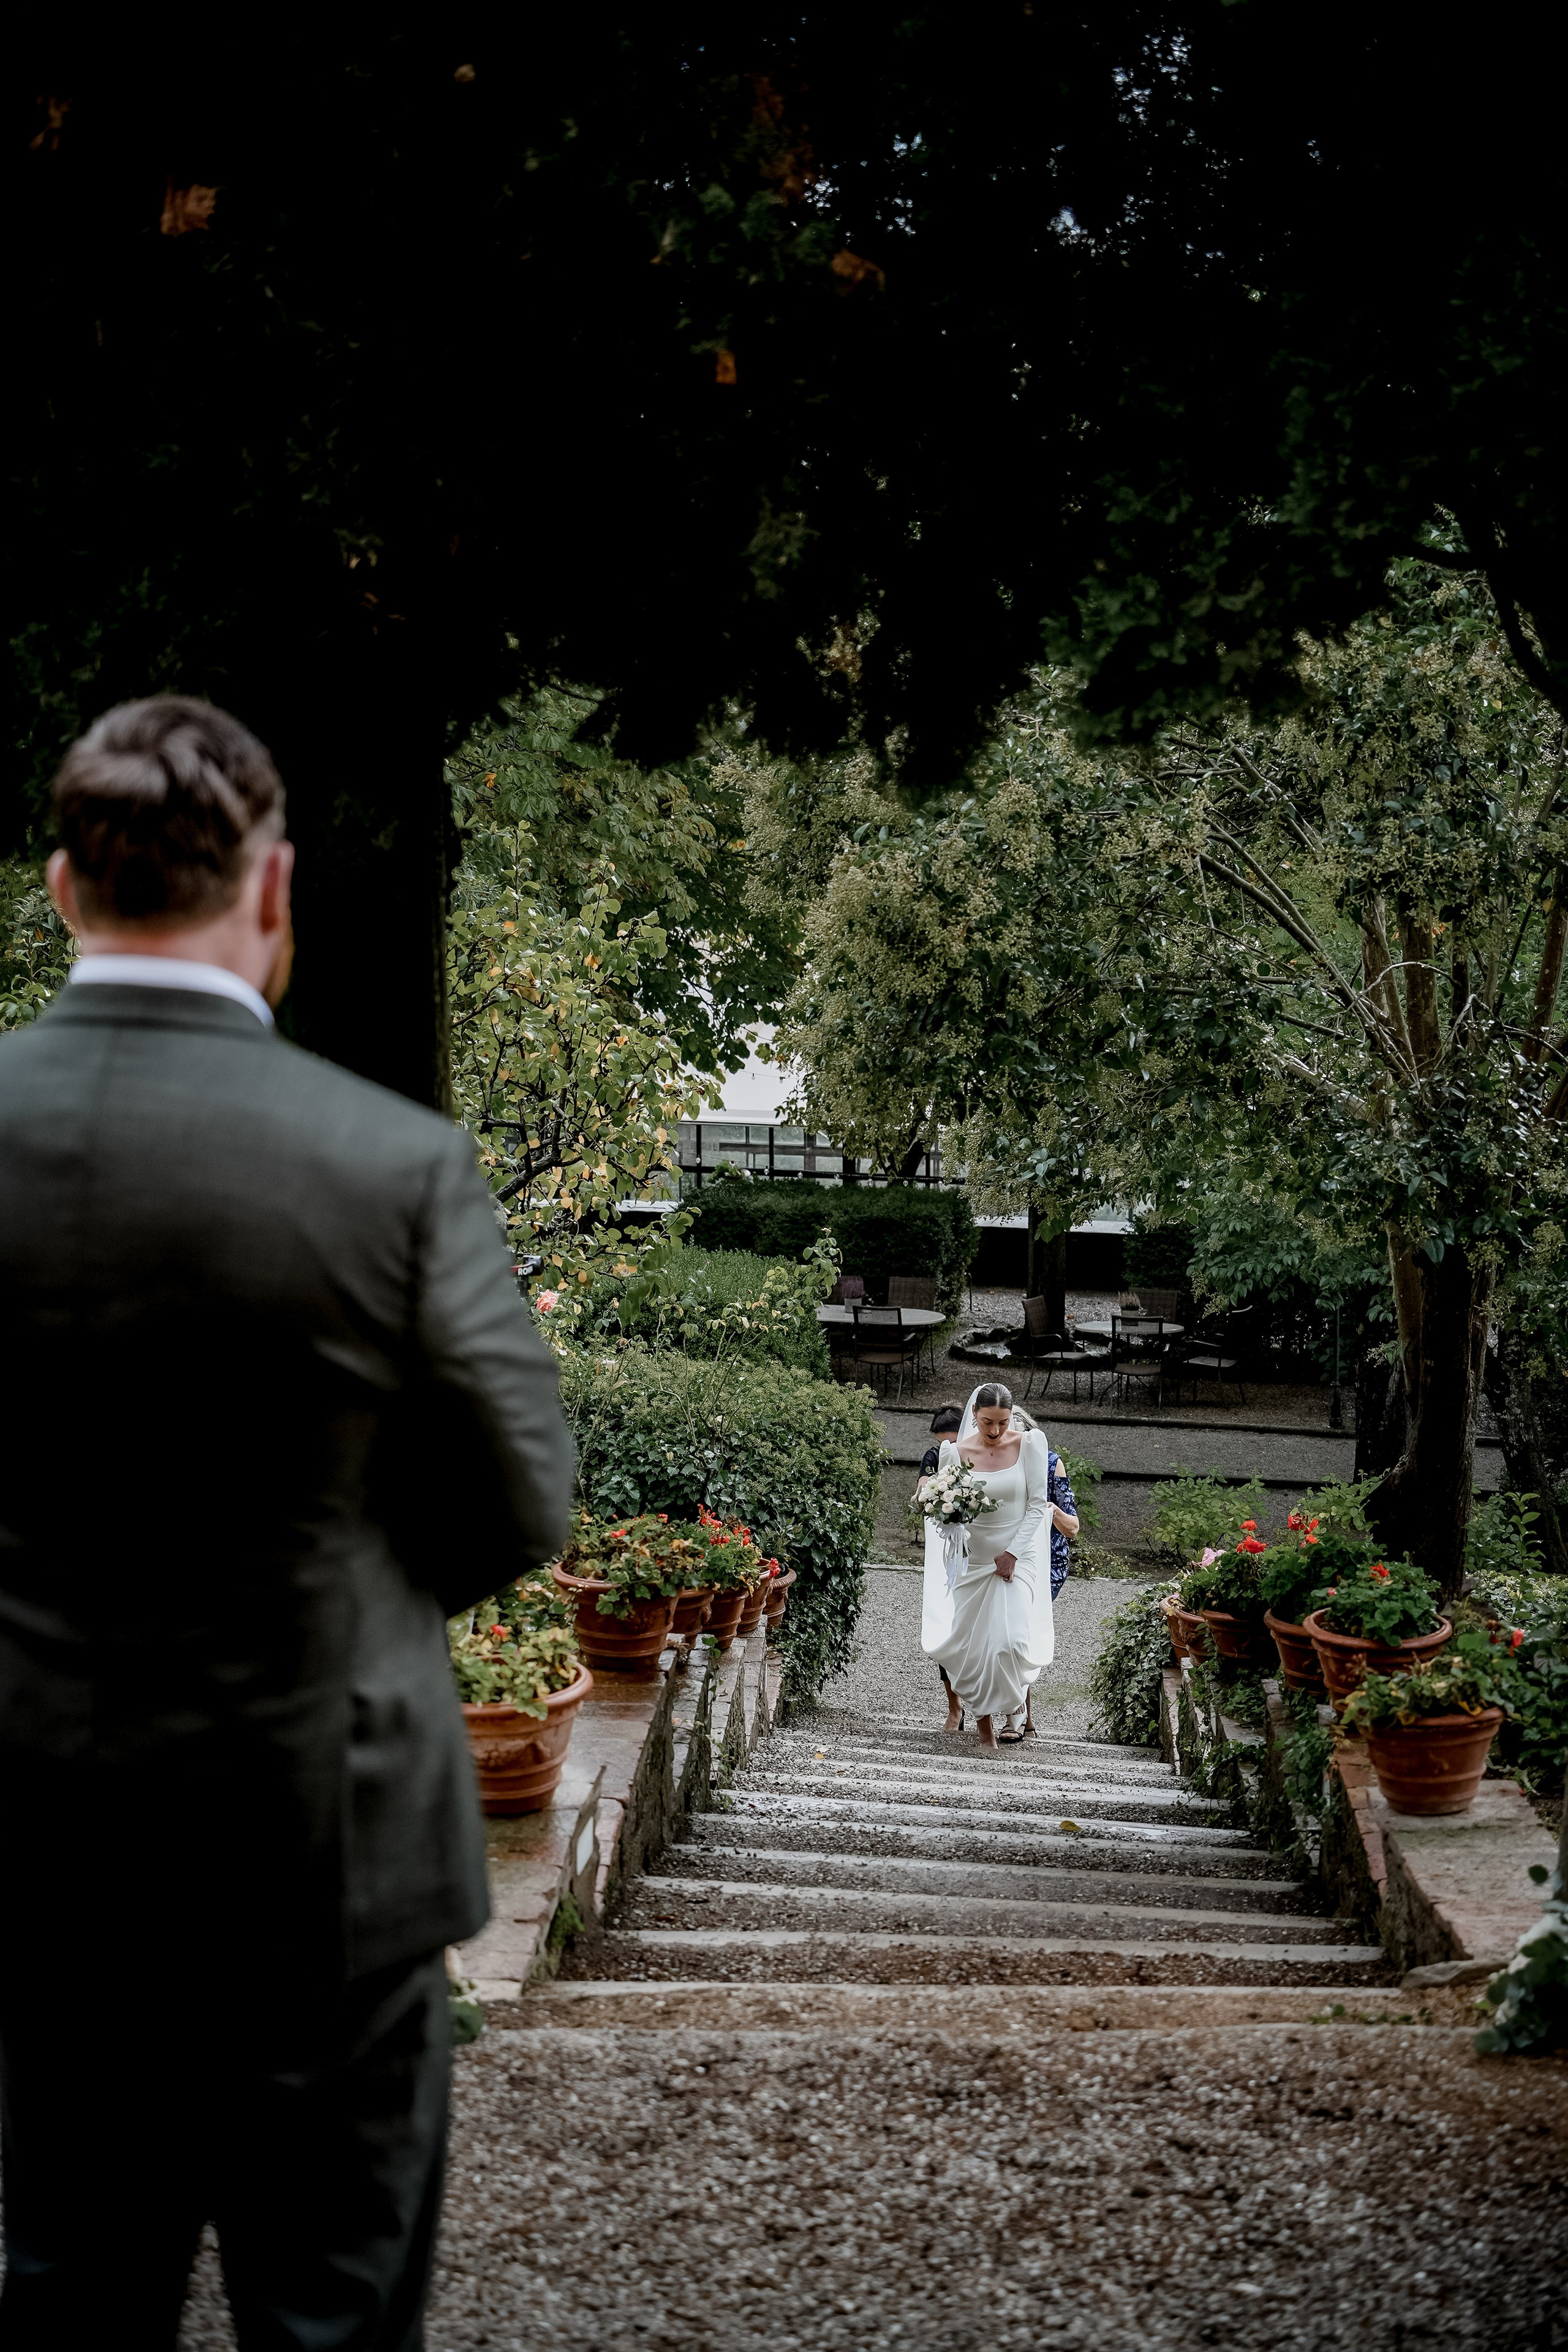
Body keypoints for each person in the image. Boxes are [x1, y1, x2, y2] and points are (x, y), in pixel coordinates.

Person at [0, 697, 573, 2350]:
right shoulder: (387, 1162)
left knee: (67, 2291)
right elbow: (518, 1492)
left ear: (62, 892)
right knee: (330, 2317)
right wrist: (346, 1600)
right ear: (274, 892)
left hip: (47, 1832)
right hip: (331, 1842)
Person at [919, 1383, 1055, 1751]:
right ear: (974, 1415)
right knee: (974, 1647)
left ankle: (1014, 1708)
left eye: (1003, 1422)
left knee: (1009, 1642)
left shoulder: (1030, 1445)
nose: (994, 1431)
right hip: (973, 1561)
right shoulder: (954, 1453)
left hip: (1018, 1558)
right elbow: (942, 1517)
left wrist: (1011, 1552)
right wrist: (945, 1513)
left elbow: (1037, 1505)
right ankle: (984, 1730)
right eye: (986, 1422)